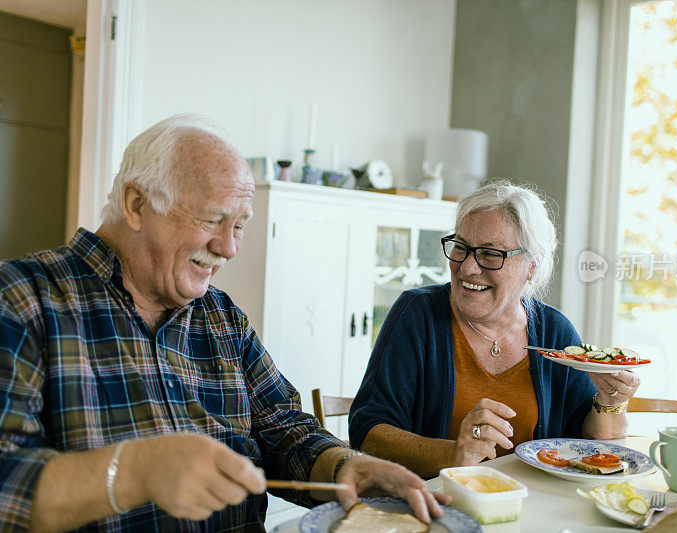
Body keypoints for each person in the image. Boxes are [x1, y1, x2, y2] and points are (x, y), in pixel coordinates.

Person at [0, 114, 447, 531]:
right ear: (135, 204)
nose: (229, 247)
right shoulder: (22, 301)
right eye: (213, 219)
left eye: (239, 226)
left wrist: (347, 465)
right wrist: (136, 472)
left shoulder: (221, 317)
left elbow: (284, 428)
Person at [348, 181, 641, 477]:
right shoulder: (417, 315)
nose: (467, 268)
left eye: (490, 254)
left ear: (532, 267)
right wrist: (453, 454)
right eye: (461, 247)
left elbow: (591, 448)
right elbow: (368, 429)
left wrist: (610, 402)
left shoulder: (554, 331)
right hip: (437, 506)